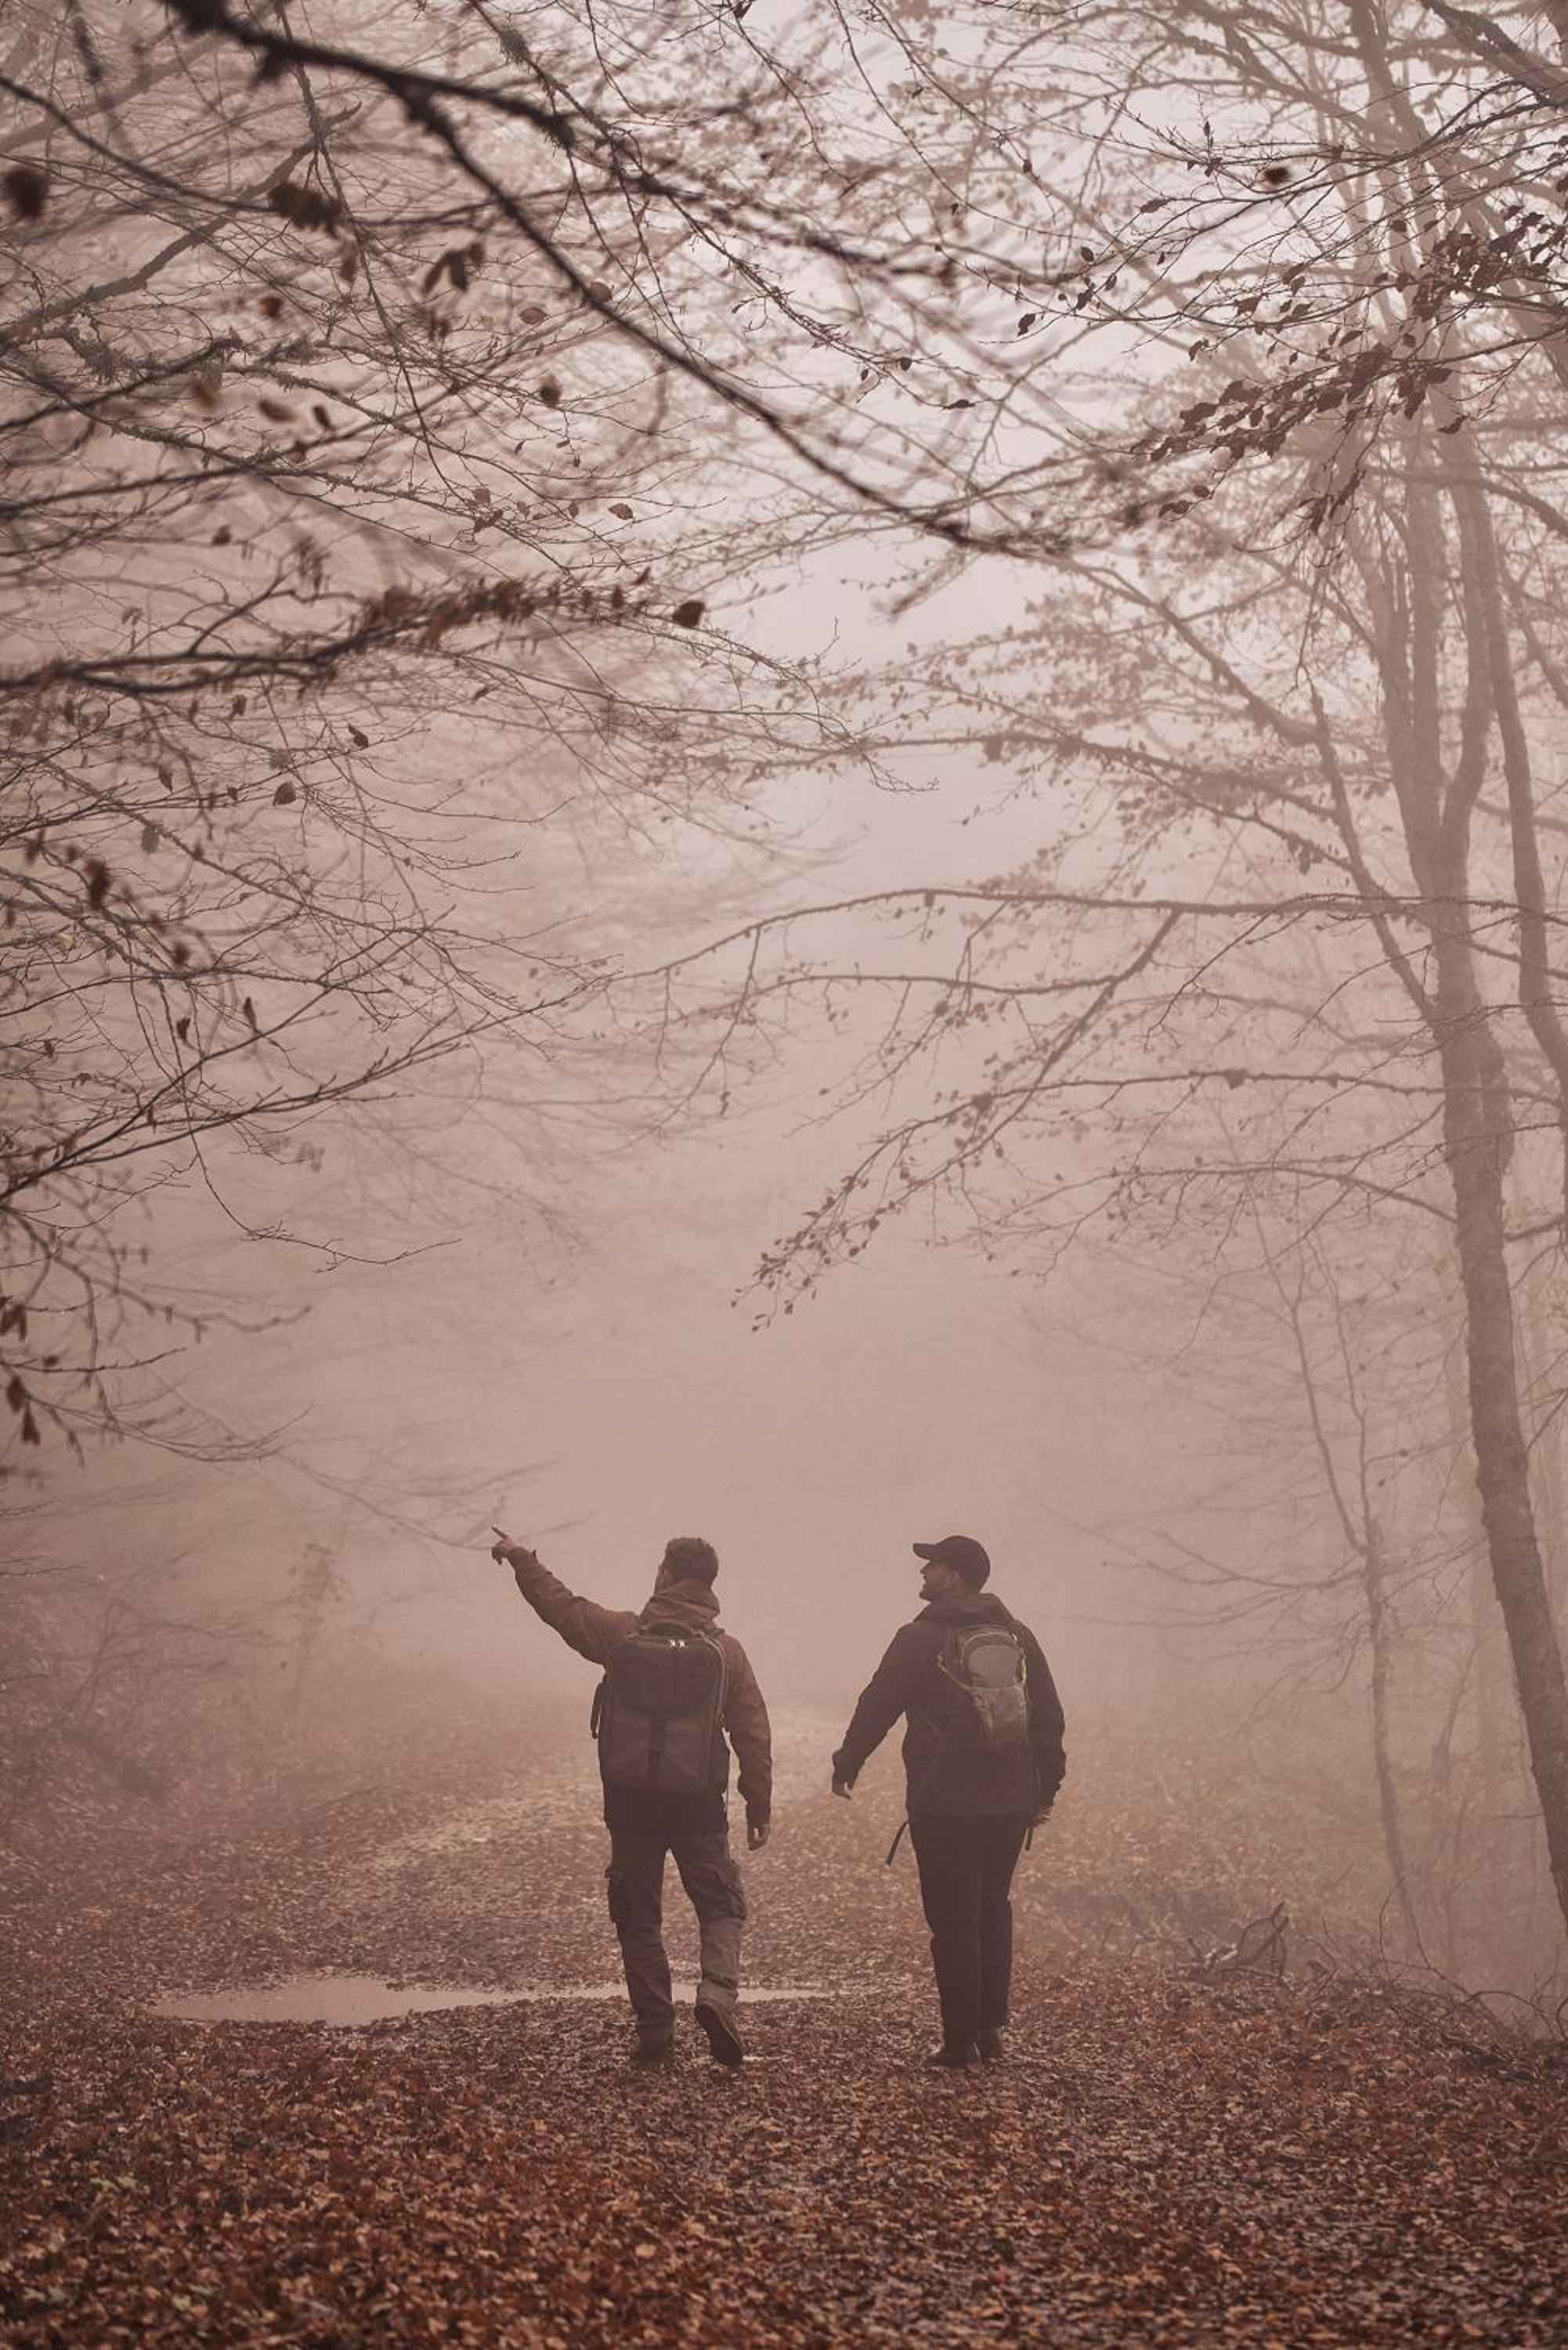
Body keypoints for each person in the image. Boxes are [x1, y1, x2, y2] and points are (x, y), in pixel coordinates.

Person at [490, 1529, 771, 2068]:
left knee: (638, 1917)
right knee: (721, 1906)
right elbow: (753, 1732)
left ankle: (656, 2034)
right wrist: (757, 1806)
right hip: (697, 1805)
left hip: (630, 1802)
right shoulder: (727, 1653)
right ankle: (716, 1995)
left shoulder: (621, 1634)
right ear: (709, 1584)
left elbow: (562, 1608)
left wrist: (524, 1560)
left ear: (666, 1575)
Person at [831, 1534, 1064, 2070]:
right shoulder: (1018, 1635)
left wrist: (848, 1762)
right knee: (992, 1909)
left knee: (955, 1919)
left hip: (945, 1803)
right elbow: (1048, 1715)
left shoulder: (919, 1638)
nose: (923, 1574)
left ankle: (961, 2044)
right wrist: (1045, 1789)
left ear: (954, 1577)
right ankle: (990, 2031)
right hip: (1009, 1802)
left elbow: (878, 1704)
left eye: (931, 1566)